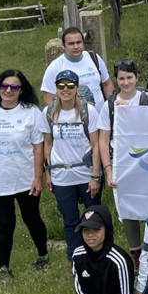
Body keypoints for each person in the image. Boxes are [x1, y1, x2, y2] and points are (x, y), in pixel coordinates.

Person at [0, 70, 50, 281]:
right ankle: (4, 268)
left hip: (25, 178)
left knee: (32, 218)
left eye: (14, 87)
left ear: (21, 90)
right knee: (5, 223)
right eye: (4, 86)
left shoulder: (31, 112)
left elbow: (38, 147)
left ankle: (43, 255)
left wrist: (38, 177)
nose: (8, 90)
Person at [42, 69, 108, 258]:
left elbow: (95, 145)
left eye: (70, 85)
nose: (66, 89)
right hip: (61, 175)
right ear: (56, 88)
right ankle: (75, 257)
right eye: (61, 85)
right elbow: (48, 144)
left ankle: (97, 255)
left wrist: (96, 176)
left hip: (86, 174)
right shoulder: (48, 113)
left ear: (77, 87)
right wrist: (48, 173)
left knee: (93, 218)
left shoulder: (89, 111)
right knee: (70, 220)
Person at [103, 58, 148, 257]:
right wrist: (108, 169)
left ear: (137, 77)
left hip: (146, 162)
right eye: (121, 78)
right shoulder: (110, 105)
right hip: (121, 163)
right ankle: (136, 254)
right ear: (116, 80)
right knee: (127, 208)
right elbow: (103, 140)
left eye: (129, 77)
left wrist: (130, 112)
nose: (126, 82)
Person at [40, 26, 111, 109]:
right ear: (63, 45)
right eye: (71, 43)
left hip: (100, 115)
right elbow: (49, 98)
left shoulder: (94, 58)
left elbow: (107, 84)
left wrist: (111, 107)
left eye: (79, 42)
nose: (76, 46)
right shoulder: (55, 67)